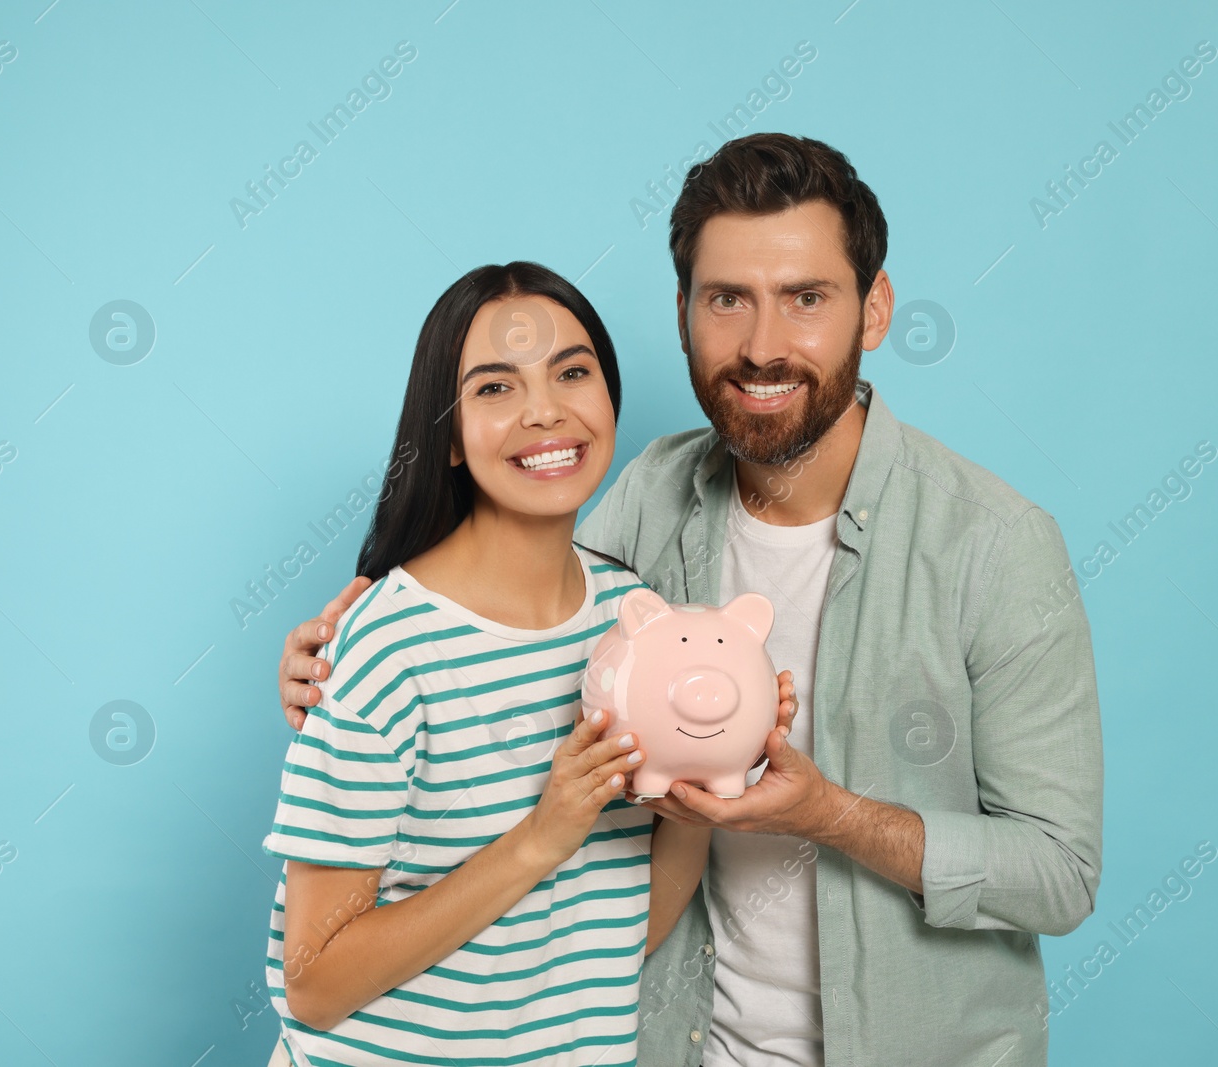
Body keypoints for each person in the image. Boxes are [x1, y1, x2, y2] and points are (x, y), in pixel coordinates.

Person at [279, 134, 1104, 1067]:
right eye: (727, 301)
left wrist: (826, 813)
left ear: (874, 309)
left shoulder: (993, 545)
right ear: (681, 315)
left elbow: (1061, 874)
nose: (761, 347)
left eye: (805, 298)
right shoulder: (649, 499)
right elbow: (514, 618)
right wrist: (336, 661)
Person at [260, 260, 799, 1067]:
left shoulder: (634, 625)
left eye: (573, 372)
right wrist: (540, 838)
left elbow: (614, 942)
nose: (545, 410)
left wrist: (708, 775)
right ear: (443, 435)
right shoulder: (383, 648)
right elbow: (315, 982)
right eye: (495, 387)